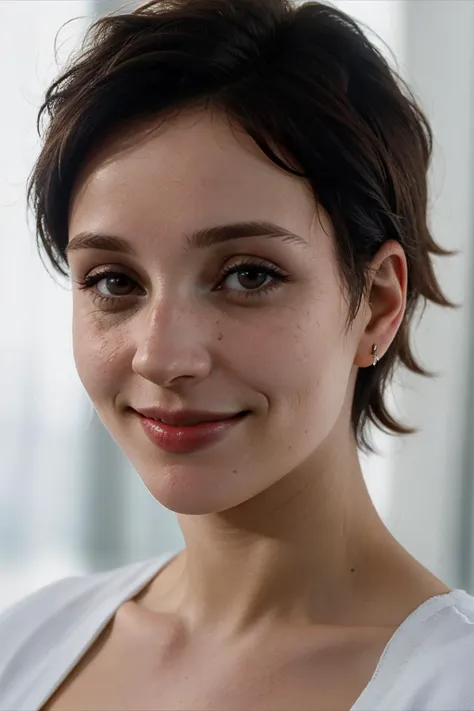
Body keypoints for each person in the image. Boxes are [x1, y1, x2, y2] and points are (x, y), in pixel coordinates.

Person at [1, 0, 474, 709]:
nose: (161, 356)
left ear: (376, 301)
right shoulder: (24, 643)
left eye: (248, 275)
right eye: (114, 281)